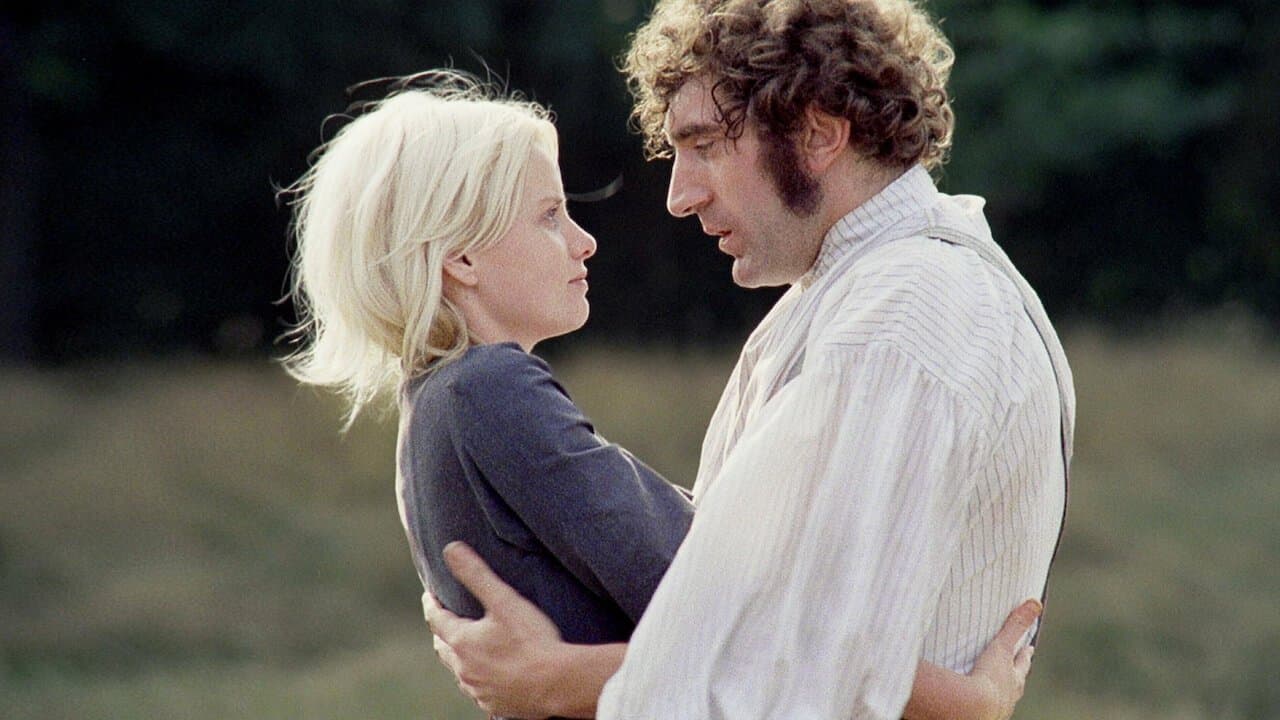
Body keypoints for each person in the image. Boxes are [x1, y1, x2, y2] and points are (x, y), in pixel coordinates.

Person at [282, 71, 1045, 719]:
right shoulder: (490, 390)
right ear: (462, 258)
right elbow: (720, 599)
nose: (583, 241)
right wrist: (962, 700)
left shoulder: (437, 406)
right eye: (548, 216)